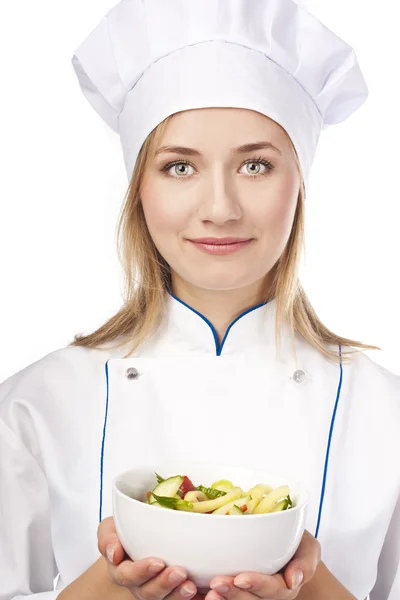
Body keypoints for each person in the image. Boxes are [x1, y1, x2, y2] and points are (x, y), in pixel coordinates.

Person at [0, 0, 399, 599]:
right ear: (139, 190)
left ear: (301, 183)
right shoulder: (37, 406)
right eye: (179, 167)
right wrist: (106, 590)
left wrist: (312, 590)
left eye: (256, 165)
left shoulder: (385, 415)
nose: (220, 208)